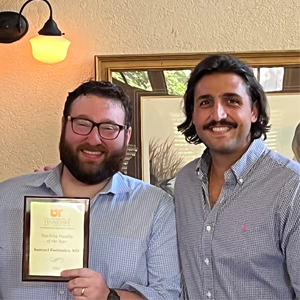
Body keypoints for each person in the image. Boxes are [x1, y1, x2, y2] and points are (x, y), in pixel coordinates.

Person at [0, 81, 181, 300]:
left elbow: (168, 295)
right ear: (64, 125)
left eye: (109, 127)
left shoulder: (155, 207)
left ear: (127, 135)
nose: (94, 139)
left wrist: (110, 296)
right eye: (83, 123)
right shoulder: (6, 197)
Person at [175, 55, 300, 300]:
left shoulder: (292, 187)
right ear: (193, 114)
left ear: (253, 111)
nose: (218, 114)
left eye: (232, 101)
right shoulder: (185, 183)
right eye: (205, 102)